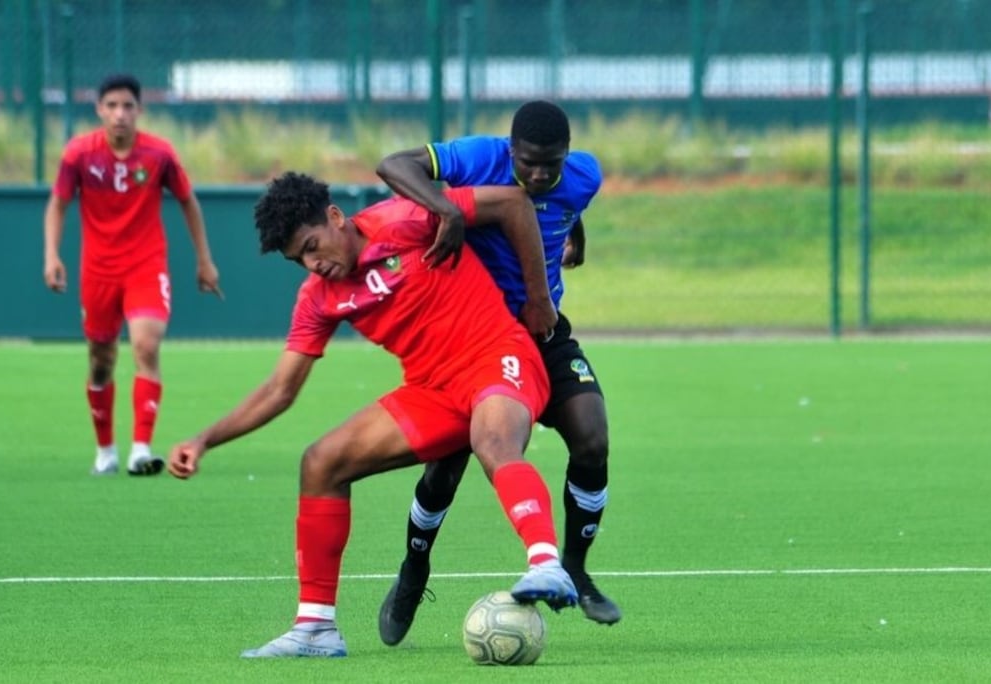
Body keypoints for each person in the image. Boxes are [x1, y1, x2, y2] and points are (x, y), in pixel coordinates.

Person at [168, 171, 575, 658]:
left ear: (336, 217)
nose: (313, 264)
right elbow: (280, 390)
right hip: (431, 390)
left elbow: (512, 201)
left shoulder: (406, 218)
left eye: (314, 245)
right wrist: (204, 439)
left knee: (493, 441)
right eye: (300, 259)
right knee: (321, 462)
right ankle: (315, 627)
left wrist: (538, 299)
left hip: (497, 356)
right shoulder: (318, 298)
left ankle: (546, 563)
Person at [373, 100, 621, 643]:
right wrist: (448, 209)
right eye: (527, 162)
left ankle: (575, 570)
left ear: (567, 156)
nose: (537, 174)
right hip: (474, 342)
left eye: (549, 164)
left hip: (544, 331)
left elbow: (564, 207)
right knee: (447, 469)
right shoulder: (476, 157)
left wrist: (575, 235)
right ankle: (415, 567)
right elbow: (393, 164)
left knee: (593, 439)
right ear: (510, 150)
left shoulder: (585, 176)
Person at [43, 73, 223, 477]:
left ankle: (140, 449)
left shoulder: (158, 154)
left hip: (146, 264)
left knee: (145, 345)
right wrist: (52, 255)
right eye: (112, 106)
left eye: (127, 106)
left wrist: (204, 259)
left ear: (139, 110)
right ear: (99, 110)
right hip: (98, 271)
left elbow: (188, 202)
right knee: (101, 360)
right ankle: (105, 451)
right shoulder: (78, 154)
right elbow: (57, 204)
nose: (120, 114)